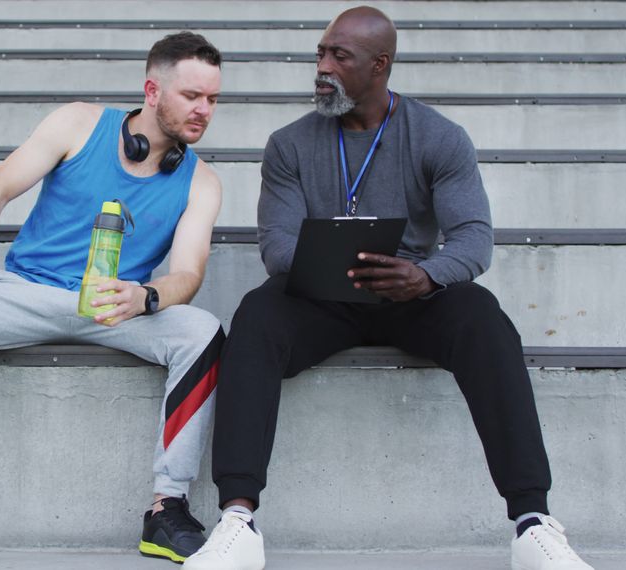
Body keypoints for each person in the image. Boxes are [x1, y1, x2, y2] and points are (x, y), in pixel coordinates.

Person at [183, 7, 593, 570]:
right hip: (321, 299)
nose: (322, 67)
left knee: (483, 317)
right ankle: (237, 519)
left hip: (410, 297)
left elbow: (473, 239)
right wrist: (320, 269)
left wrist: (426, 275)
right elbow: (276, 244)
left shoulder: (438, 137)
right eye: (321, 54)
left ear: (380, 66)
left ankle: (532, 522)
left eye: (339, 57)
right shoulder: (289, 144)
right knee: (256, 315)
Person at [0, 32, 225, 566]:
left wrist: (145, 296)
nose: (203, 109)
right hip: (26, 292)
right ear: (151, 90)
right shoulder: (78, 123)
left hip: (115, 310)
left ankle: (168, 508)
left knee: (203, 332)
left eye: (212, 99)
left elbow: (188, 273)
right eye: (192, 95)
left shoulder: (202, 181)